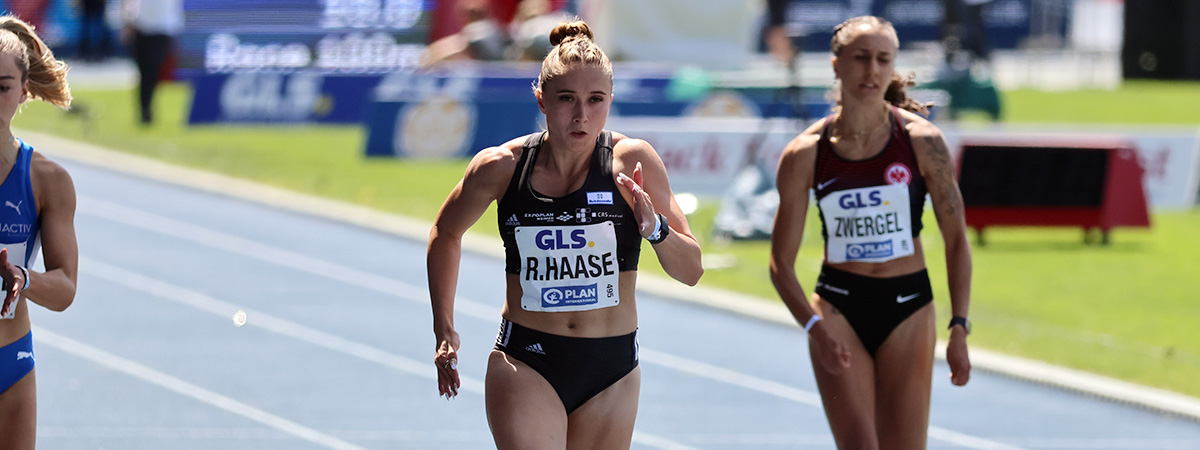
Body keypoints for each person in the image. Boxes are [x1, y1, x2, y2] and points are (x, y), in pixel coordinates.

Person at [427, 19, 702, 449]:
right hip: (527, 362)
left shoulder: (631, 163)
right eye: (566, 99)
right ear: (540, 97)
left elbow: (692, 271)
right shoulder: (501, 167)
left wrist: (656, 228)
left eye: (596, 100)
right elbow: (446, 232)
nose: (581, 116)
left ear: (610, 100)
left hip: (611, 371)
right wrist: (444, 329)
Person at [768, 16, 971, 449]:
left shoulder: (922, 141)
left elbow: (956, 239)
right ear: (837, 64)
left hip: (909, 308)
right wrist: (814, 329)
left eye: (883, 59)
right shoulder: (805, 153)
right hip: (838, 308)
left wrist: (959, 326)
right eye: (861, 58)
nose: (873, 70)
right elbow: (780, 265)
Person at [0, 15, 80, 450]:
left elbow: (66, 287)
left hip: (11, 361)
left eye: (2, 87)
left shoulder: (47, 180)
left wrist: (23, 279)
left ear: (24, 91)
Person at [120, 0, 183, 124]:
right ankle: (144, 109)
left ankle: (147, 109)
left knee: (153, 70)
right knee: (143, 72)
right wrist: (128, 21)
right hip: (141, 27)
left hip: (162, 29)